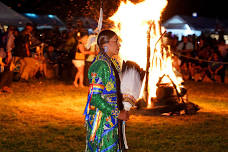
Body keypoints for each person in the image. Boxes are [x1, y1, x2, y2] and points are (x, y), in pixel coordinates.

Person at [84, 30, 129, 152]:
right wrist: (117, 113)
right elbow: (94, 97)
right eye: (116, 41)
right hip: (103, 121)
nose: (119, 45)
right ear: (105, 44)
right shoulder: (100, 65)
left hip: (111, 118)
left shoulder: (112, 63)